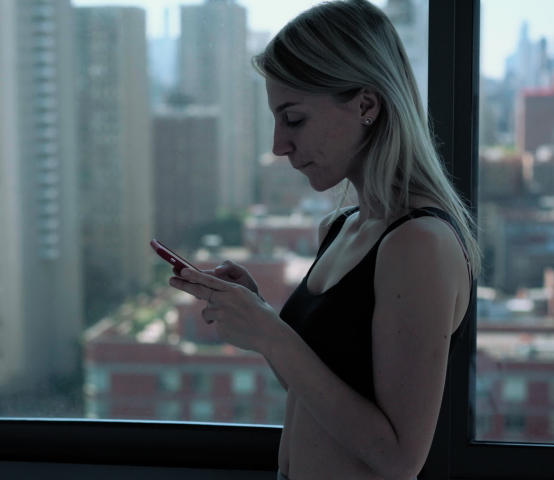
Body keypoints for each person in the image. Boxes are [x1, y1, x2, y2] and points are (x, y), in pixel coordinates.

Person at [167, 0, 481, 479]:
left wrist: (272, 332)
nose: (279, 145)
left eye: (294, 119)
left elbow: (399, 458)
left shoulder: (418, 243)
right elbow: (316, 396)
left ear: (366, 105)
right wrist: (259, 316)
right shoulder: (340, 228)